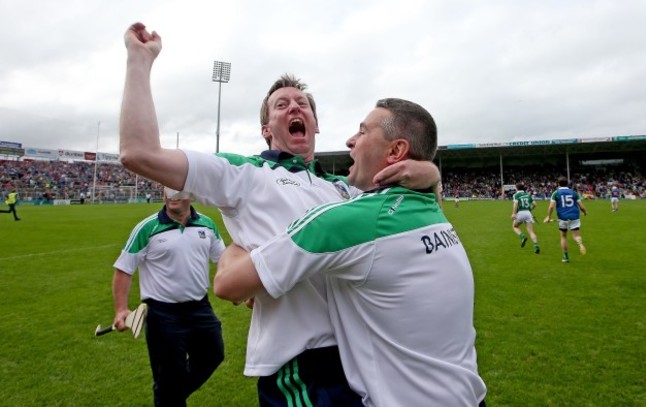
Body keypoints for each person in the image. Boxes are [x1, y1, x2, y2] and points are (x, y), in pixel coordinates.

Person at [118, 22, 440, 406]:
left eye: (302, 103)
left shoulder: (343, 188)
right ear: (266, 129)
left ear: (316, 124)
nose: (295, 107)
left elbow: (415, 212)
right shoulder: (245, 173)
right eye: (281, 105)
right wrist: (140, 60)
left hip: (364, 356)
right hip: (303, 364)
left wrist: (432, 174)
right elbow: (139, 153)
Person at [214, 98, 487, 406]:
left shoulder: (351, 220)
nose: (350, 140)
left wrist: (235, 247)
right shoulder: (431, 213)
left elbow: (227, 284)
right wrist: (431, 173)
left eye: (362, 130)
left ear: (396, 151)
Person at [112, 187, 226, 406]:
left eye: (179, 191)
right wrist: (121, 309)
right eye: (168, 191)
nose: (172, 197)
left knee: (213, 354)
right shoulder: (146, 228)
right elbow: (124, 269)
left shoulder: (207, 224)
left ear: (191, 195)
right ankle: (169, 395)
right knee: (168, 374)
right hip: (162, 314)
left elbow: (223, 260)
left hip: (200, 308)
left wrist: (236, 288)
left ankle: (168, 396)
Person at [543, 176, 587, 263]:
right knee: (576, 235)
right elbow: (581, 206)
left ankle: (565, 257)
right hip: (574, 216)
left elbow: (551, 207)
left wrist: (549, 217)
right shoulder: (574, 192)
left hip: (562, 218)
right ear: (567, 183)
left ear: (558, 184)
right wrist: (585, 212)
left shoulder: (556, 193)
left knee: (563, 237)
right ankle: (579, 242)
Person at [511, 183, 540, 253]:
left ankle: (522, 237)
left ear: (517, 188)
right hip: (528, 213)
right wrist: (530, 210)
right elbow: (535, 204)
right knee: (531, 231)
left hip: (520, 213)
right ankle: (536, 246)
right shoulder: (527, 195)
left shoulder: (516, 195)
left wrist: (514, 213)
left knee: (515, 226)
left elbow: (515, 204)